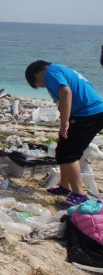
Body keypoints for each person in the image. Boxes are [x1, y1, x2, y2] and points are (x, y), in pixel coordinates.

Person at [25, 60, 103, 206]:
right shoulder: (59, 70)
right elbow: (65, 98)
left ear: (38, 71)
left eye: (37, 83)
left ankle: (79, 194)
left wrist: (64, 122)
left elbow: (65, 92)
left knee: (69, 154)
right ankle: (65, 187)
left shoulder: (50, 72)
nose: (41, 86)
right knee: (62, 149)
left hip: (89, 114)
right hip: (88, 113)